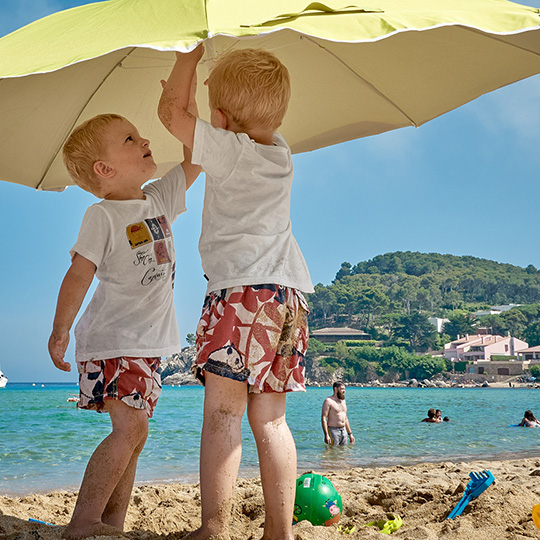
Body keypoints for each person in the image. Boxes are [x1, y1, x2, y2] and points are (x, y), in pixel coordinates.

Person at [158, 45, 313, 540]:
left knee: (224, 411)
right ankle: (280, 532)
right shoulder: (280, 153)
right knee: (271, 419)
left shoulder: (229, 150)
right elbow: (198, 127)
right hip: (288, 298)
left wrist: (187, 59)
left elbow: (171, 114)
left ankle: (214, 526)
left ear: (221, 120)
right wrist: (216, 116)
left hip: (240, 294)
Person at [48, 110, 200, 539]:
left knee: (137, 434)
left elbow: (195, 160)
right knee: (129, 427)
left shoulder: (159, 199)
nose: (144, 139)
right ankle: (82, 523)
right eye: (130, 139)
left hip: (147, 346)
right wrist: (61, 330)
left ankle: (109, 525)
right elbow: (78, 274)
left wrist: (184, 107)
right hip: (112, 340)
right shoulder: (102, 216)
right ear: (105, 169)